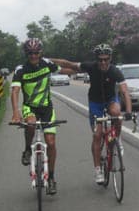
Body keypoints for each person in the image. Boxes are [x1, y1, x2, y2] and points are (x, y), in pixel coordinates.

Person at [50, 44, 133, 184]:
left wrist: (129, 111)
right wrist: (47, 60)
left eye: (106, 59)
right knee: (97, 135)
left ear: (110, 58)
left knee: (117, 113)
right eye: (100, 60)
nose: (103, 62)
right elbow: (68, 64)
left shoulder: (115, 71)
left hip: (111, 100)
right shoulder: (90, 66)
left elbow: (125, 92)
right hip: (95, 103)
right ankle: (98, 170)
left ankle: (117, 138)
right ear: (96, 59)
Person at [10, 37, 66, 195]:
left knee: (51, 143)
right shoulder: (21, 69)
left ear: (40, 52)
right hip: (30, 107)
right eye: (30, 53)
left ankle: (52, 178)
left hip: (47, 108)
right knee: (31, 124)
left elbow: (63, 69)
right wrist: (16, 113)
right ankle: (27, 149)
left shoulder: (47, 64)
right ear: (26, 54)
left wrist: (83, 69)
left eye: (36, 53)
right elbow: (15, 91)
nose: (33, 56)